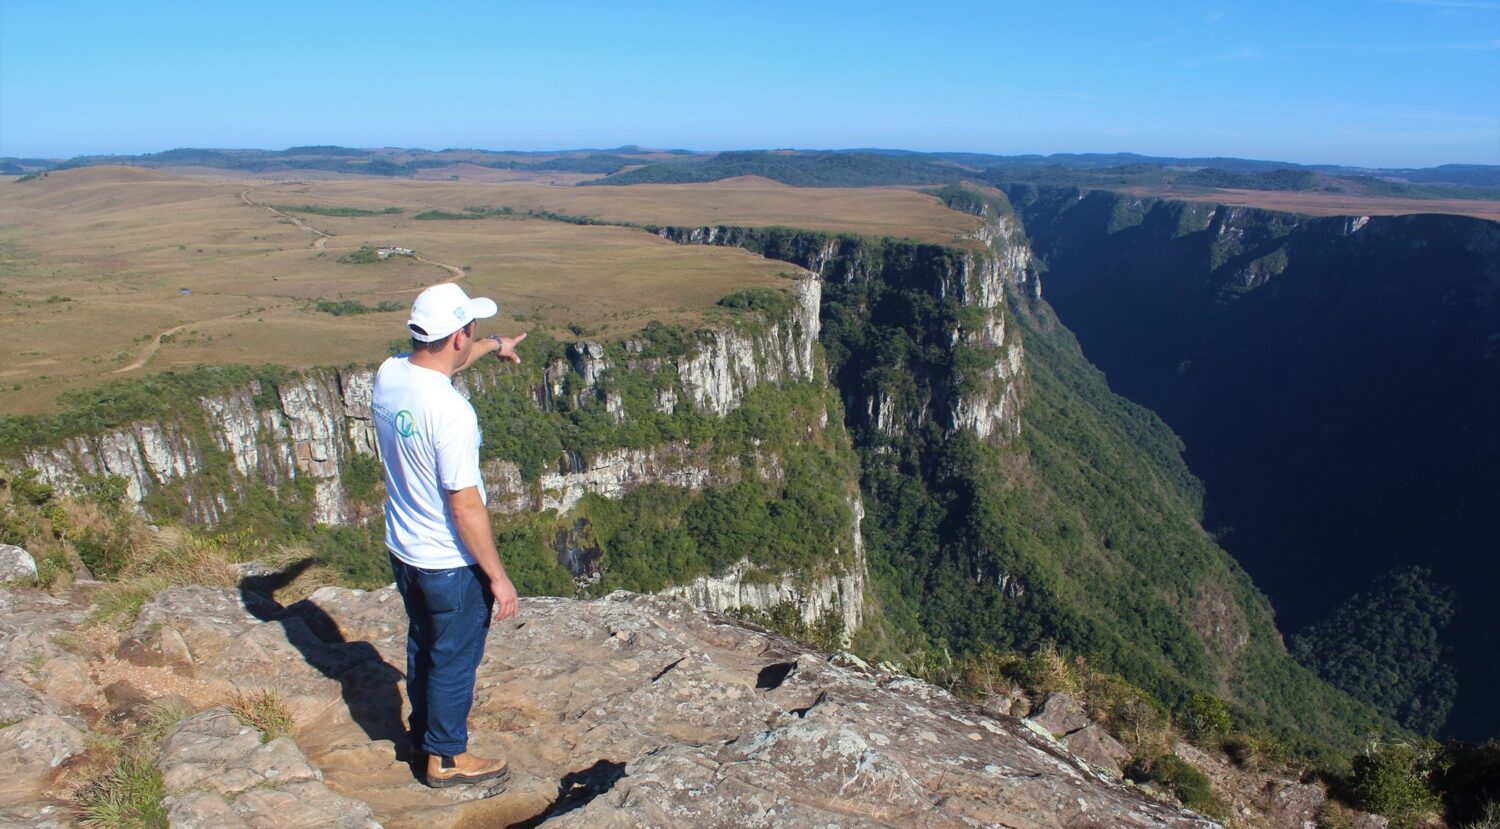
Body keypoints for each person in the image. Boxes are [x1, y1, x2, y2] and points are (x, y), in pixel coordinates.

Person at [372, 282, 526, 788]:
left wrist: (495, 344)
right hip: (448, 562)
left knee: (424, 645)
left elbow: (446, 361)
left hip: (405, 549)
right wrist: (497, 578)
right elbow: (464, 505)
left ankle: (423, 734)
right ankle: (446, 758)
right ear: (457, 334)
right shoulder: (453, 414)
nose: (473, 337)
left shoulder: (391, 373)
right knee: (455, 660)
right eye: (472, 330)